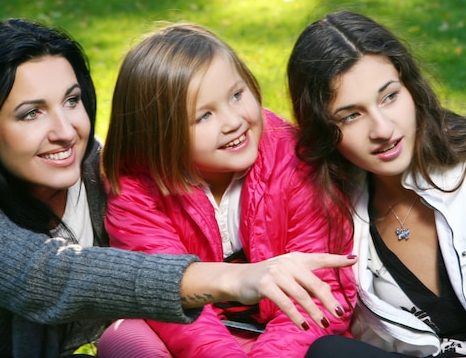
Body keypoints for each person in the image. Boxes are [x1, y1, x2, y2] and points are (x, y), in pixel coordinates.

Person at [0, 18, 359, 358]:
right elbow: (49, 277)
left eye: (72, 101)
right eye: (30, 113)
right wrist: (235, 278)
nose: (65, 131)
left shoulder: (98, 172)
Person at [98, 22, 356, 358]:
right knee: (124, 338)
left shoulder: (293, 159)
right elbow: (166, 294)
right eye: (204, 115)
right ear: (158, 134)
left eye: (237, 95)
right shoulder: (136, 185)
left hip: (291, 339)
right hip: (192, 337)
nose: (233, 121)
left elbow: (323, 290)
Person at [286, 10, 466, 358]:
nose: (382, 129)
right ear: (324, 130)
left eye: (389, 97)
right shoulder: (343, 223)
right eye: (351, 115)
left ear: (411, 87)